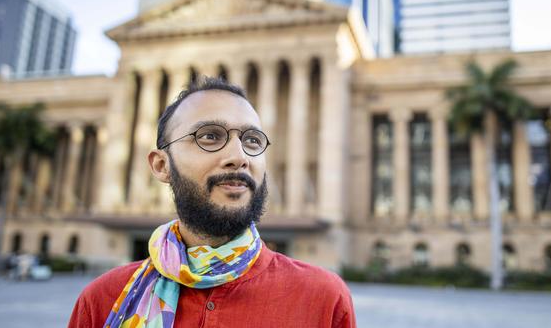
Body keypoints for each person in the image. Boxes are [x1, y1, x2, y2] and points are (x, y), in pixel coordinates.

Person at [68, 76, 356, 328]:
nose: (239, 156)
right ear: (161, 165)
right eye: (209, 136)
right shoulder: (102, 300)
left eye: (252, 140)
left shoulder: (323, 300)